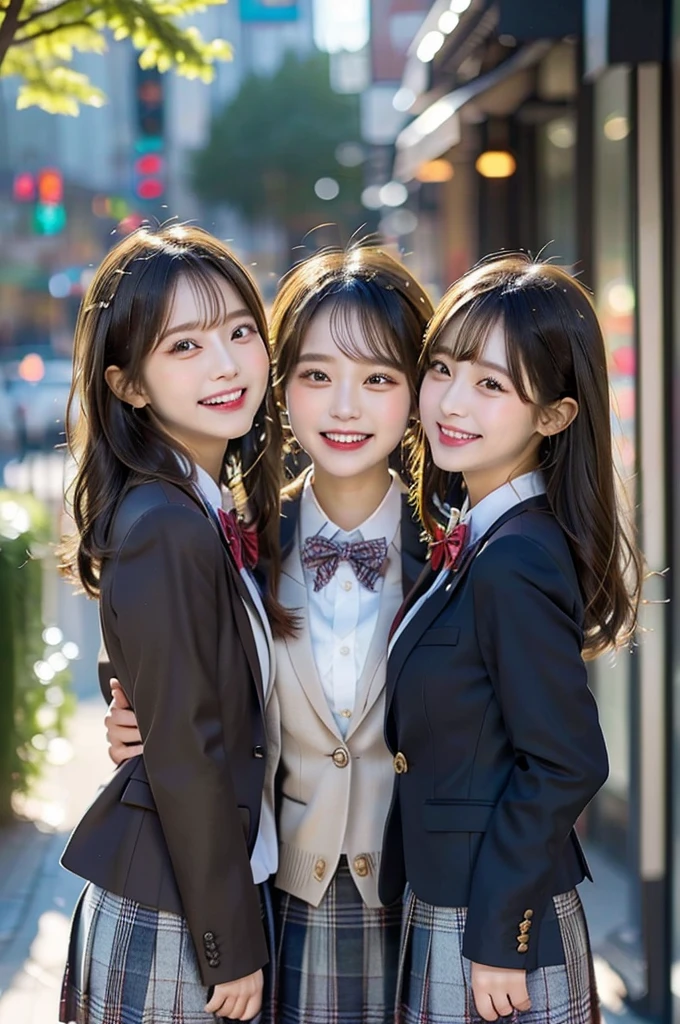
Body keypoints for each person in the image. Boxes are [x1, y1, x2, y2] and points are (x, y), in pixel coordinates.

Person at [105, 243, 455, 1024]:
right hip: (279, 905)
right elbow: (179, 669)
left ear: (419, 391)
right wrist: (133, 715)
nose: (345, 409)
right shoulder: (234, 538)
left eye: (379, 379)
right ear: (281, 382)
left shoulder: (459, 555)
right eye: (317, 375)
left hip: (427, 904)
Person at [380, 253, 643, 1024]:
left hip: (493, 932)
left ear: (554, 415)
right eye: (443, 368)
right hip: (455, 904)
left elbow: (566, 760)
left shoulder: (516, 555)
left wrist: (501, 932)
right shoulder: (481, 534)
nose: (452, 402)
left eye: (492, 385)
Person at [58, 223, 293, 1024]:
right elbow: (188, 748)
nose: (227, 364)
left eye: (237, 332)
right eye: (184, 347)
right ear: (128, 385)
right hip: (184, 920)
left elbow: (177, 663)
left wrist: (128, 700)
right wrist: (230, 943)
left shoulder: (197, 501)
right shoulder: (167, 517)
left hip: (194, 898)